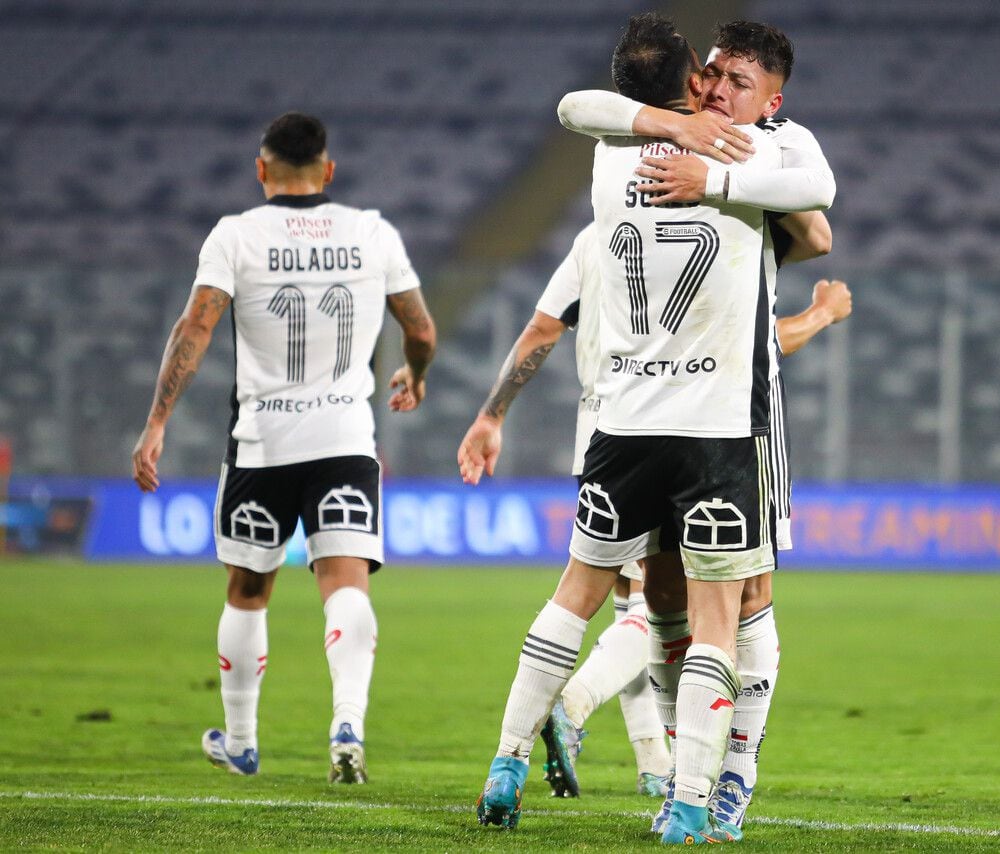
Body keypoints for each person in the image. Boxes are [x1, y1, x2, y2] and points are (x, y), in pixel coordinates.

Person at [473, 14, 832, 844]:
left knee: (592, 595)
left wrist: (692, 148)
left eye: (735, 82)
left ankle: (510, 760)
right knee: (715, 615)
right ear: (690, 82)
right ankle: (694, 797)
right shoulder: (759, 154)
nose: (717, 89)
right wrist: (712, 165)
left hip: (622, 423)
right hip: (716, 428)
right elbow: (821, 209)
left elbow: (575, 106)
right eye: (710, 76)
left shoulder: (608, 160)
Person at [456, 225, 848, 800]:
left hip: (609, 431)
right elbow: (754, 339)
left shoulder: (598, 231)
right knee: (718, 602)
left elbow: (543, 326)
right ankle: (583, 705)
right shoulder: (727, 220)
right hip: (704, 433)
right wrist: (819, 315)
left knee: (636, 598)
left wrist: (493, 413)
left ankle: (649, 762)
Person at [131, 112, 436, 783]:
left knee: (247, 590)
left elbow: (196, 327)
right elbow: (419, 326)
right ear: (328, 170)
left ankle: (241, 741)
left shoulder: (236, 235)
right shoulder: (370, 231)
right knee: (345, 581)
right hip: (346, 438)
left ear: (261, 170)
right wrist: (414, 373)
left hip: (262, 442)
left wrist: (157, 422)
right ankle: (348, 723)